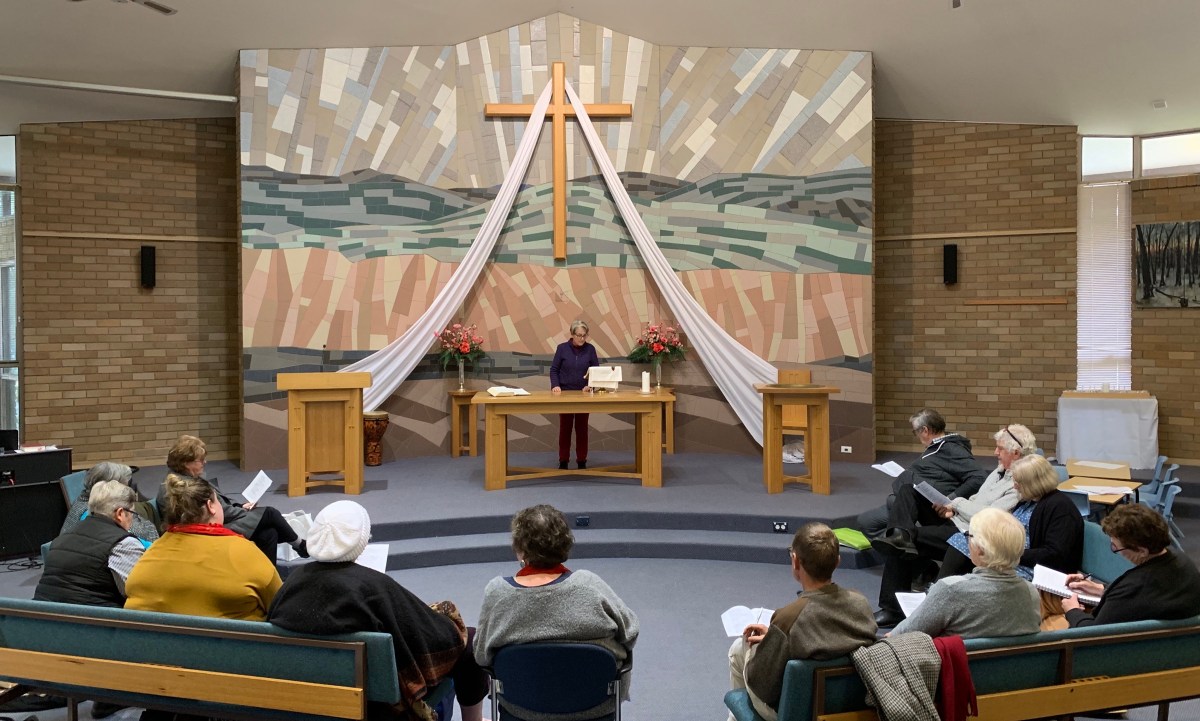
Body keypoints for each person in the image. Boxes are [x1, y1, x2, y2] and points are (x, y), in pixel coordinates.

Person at [269, 502, 488, 721]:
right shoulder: (374, 587)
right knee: (469, 641)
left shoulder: (291, 583)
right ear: (362, 542)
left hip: (307, 701)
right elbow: (434, 636)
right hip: (375, 707)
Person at [475, 504, 637, 721]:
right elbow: (630, 633)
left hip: (521, 711)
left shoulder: (498, 593)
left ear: (520, 549)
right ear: (565, 543)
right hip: (595, 708)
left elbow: (481, 655)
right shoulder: (590, 585)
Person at [871, 424, 1033, 626]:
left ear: (1015, 453)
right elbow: (976, 499)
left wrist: (955, 505)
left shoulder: (1020, 481)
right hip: (958, 518)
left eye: (999, 448)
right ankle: (899, 534)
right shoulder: (1000, 471)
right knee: (908, 491)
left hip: (968, 533)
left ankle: (892, 609)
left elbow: (989, 516)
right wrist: (953, 510)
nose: (995, 453)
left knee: (903, 541)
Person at [728, 522, 876, 721]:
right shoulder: (862, 604)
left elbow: (762, 686)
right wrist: (773, 637)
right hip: (848, 709)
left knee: (739, 649)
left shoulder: (788, 618)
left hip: (797, 712)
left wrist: (772, 640)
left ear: (795, 562)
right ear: (838, 561)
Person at [126, 473, 282, 620]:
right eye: (218, 501)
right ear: (210, 506)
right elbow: (280, 604)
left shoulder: (149, 555)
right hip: (233, 638)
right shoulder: (246, 553)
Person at [155, 435, 307, 565]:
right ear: (186, 463)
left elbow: (216, 506)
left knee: (269, 533)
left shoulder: (179, 478)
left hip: (209, 523)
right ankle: (301, 545)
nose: (204, 462)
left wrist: (240, 506)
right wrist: (242, 511)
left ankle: (269, 576)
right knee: (269, 514)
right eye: (200, 460)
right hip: (207, 530)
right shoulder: (184, 487)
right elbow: (215, 512)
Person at [892, 508, 1040, 638]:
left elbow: (900, 636)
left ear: (980, 549)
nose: (967, 539)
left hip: (956, 662)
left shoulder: (950, 589)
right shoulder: (1031, 593)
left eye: (969, 534)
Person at [939, 454, 1083, 581]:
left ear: (1032, 484)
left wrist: (1009, 554)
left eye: (1018, 483)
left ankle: (947, 592)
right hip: (1013, 557)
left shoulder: (1060, 508)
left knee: (974, 557)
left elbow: (1054, 554)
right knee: (964, 540)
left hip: (1032, 568)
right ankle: (941, 588)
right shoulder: (1028, 500)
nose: (1015, 487)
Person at [857, 409, 987, 540]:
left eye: (915, 431)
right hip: (909, 499)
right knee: (866, 522)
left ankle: (903, 545)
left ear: (925, 430)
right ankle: (898, 545)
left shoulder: (952, 449)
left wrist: (950, 500)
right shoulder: (937, 446)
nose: (916, 436)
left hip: (926, 507)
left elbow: (979, 477)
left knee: (873, 522)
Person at [1063, 503, 1200, 627]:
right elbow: (1145, 598)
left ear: (1142, 551)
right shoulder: (1181, 561)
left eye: (1116, 547)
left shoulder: (1137, 586)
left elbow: (1094, 634)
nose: (1116, 551)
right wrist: (1101, 589)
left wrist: (1072, 610)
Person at [35, 480, 145, 607]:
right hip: (91, 617)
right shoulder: (123, 544)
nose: (132, 519)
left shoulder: (61, 539)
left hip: (41, 615)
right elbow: (142, 594)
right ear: (120, 514)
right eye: (132, 514)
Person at [61, 461, 158, 545]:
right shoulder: (96, 512)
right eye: (124, 486)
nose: (127, 490)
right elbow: (135, 540)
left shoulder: (85, 499)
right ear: (108, 488)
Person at [549, 320, 600, 470]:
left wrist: (590, 385)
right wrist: (555, 385)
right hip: (564, 394)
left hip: (583, 395)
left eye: (584, 335)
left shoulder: (590, 349)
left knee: (582, 429)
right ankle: (563, 460)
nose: (582, 339)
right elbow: (554, 370)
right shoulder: (562, 348)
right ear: (572, 334)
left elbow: (596, 371)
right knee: (565, 428)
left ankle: (582, 460)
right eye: (579, 335)